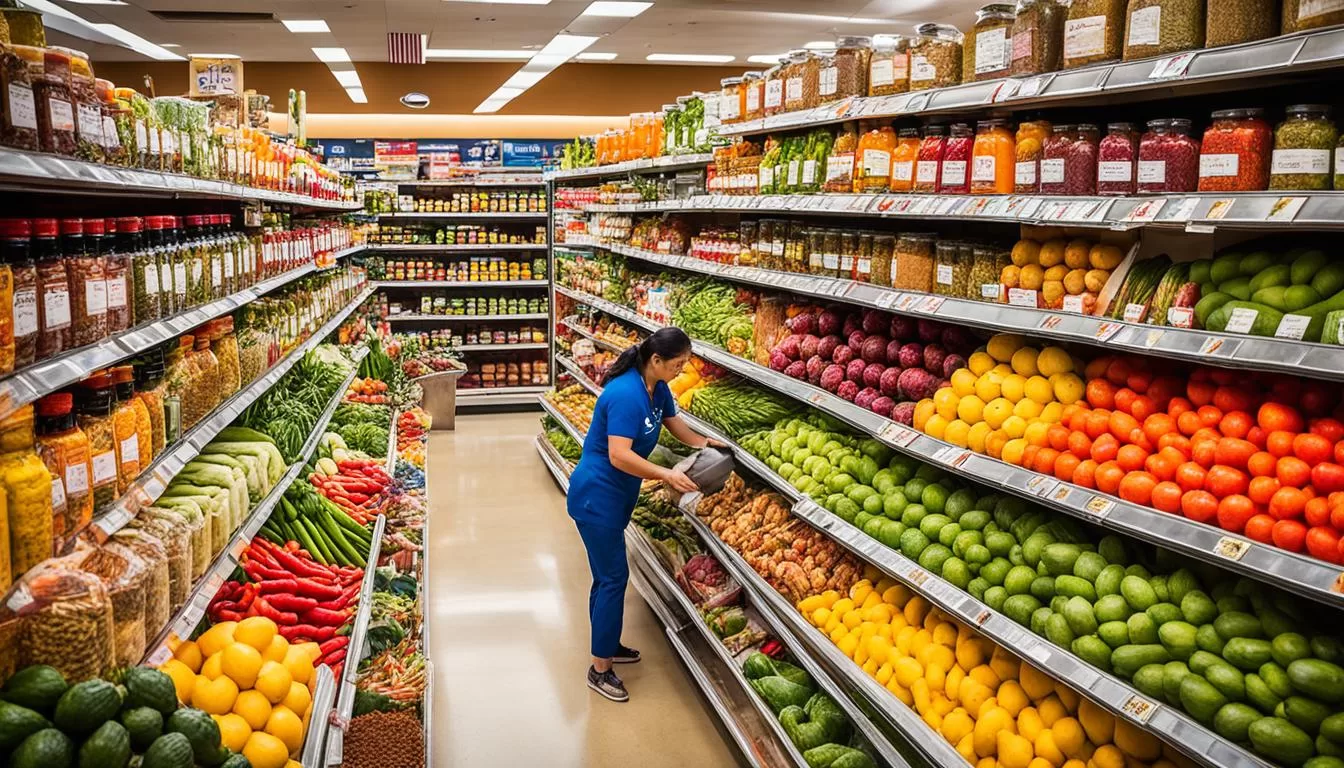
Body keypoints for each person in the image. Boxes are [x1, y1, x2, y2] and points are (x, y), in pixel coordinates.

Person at [567, 327, 724, 702]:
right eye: (678, 364)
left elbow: (677, 428)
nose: (682, 371)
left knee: (605, 578)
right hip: (596, 497)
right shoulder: (625, 395)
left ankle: (606, 642)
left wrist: (709, 444)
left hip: (616, 496)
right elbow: (619, 455)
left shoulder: (658, 389)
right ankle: (599, 668)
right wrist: (668, 474)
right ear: (656, 360)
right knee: (613, 578)